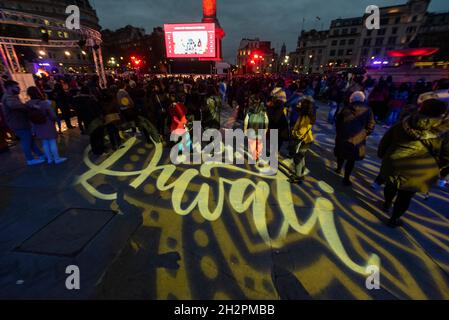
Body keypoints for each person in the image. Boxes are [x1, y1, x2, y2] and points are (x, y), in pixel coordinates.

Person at [378, 98, 449, 228]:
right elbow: (447, 155)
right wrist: (438, 167)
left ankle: (387, 203)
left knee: (391, 185)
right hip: (419, 170)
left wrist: (382, 155)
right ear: (441, 114)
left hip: (394, 162)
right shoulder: (443, 132)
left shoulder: (405, 122)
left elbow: (386, 140)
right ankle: (394, 219)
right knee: (406, 196)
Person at [334, 91, 375, 186]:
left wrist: (339, 132)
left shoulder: (345, 108)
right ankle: (346, 178)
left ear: (351, 99)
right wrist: (365, 133)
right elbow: (371, 125)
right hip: (358, 138)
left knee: (341, 153)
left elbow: (338, 121)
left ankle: (339, 168)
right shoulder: (368, 110)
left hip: (343, 136)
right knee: (351, 159)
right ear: (363, 99)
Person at [1, 80, 45, 166]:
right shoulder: (9, 97)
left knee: (30, 140)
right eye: (16, 87)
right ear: (9, 88)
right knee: (26, 141)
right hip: (18, 124)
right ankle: (30, 159)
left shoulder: (11, 96)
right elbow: (14, 105)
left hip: (20, 122)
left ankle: (41, 155)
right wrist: (30, 106)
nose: (19, 89)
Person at [26, 87, 67, 164]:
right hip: (47, 124)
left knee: (44, 142)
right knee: (52, 142)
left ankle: (50, 159)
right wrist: (55, 120)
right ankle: (57, 158)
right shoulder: (43, 103)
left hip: (37, 125)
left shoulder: (28, 104)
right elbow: (52, 115)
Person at [289, 96, 316, 183]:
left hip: (303, 141)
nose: (298, 104)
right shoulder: (304, 115)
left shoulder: (305, 117)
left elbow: (301, 132)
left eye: (300, 103)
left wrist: (293, 133)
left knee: (298, 158)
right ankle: (301, 173)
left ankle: (297, 176)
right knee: (301, 157)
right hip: (306, 140)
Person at [244, 92, 269, 164]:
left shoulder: (250, 109)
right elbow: (266, 119)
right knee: (259, 143)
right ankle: (257, 156)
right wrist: (266, 128)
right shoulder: (263, 108)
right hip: (261, 128)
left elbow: (246, 120)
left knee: (252, 143)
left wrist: (245, 129)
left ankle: (254, 156)